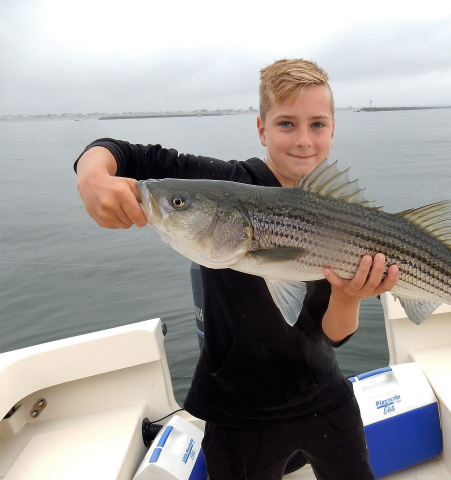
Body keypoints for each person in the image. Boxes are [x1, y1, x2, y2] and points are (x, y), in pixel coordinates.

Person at [74, 58, 399, 480]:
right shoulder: (226, 182)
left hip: (325, 398)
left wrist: (348, 295)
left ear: (332, 130)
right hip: (237, 413)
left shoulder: (342, 218)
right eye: (286, 124)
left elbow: (333, 335)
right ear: (262, 129)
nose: (303, 139)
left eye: (317, 124)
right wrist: (91, 176)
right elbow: (127, 154)